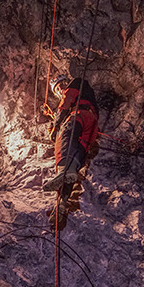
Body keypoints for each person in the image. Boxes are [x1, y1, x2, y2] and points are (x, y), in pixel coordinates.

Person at [42, 75, 99, 226]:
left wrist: (56, 125)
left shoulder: (76, 83)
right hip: (90, 126)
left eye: (60, 86)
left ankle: (63, 171)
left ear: (65, 82)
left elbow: (66, 101)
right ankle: (62, 203)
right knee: (78, 154)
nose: (60, 90)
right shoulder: (84, 96)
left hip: (80, 116)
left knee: (65, 138)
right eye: (57, 90)